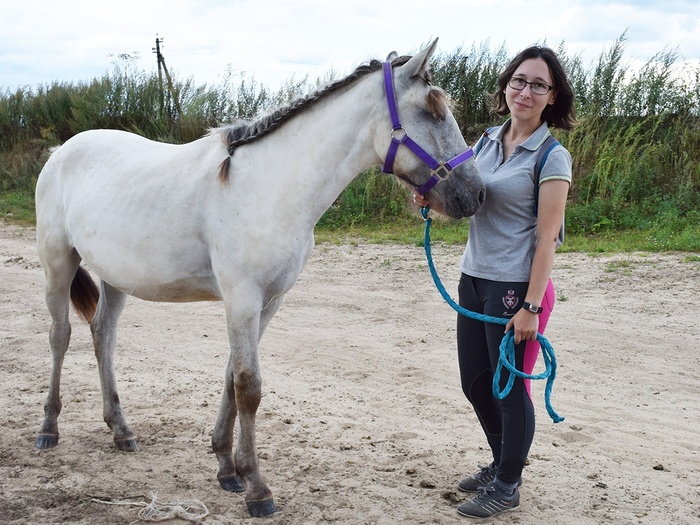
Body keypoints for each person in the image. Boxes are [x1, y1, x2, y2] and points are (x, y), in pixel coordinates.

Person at [414, 45, 577, 519]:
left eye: (538, 85)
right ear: (506, 86)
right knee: (476, 382)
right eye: (519, 81)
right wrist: (434, 203)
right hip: (474, 279)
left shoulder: (551, 156)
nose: (525, 91)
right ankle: (503, 462)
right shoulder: (486, 141)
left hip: (516, 288)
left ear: (552, 97)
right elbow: (469, 200)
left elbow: (547, 239)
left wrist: (530, 306)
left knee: (509, 389)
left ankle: (507, 483)